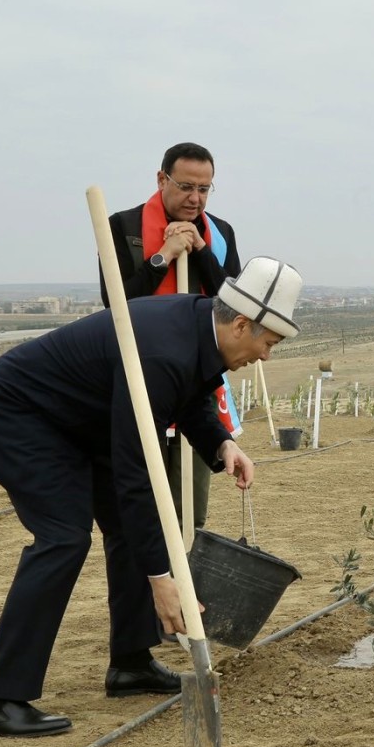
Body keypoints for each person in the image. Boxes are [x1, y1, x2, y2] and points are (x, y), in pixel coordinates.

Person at [0, 257, 301, 738]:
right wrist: (161, 579)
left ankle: (131, 663)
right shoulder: (163, 351)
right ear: (241, 323)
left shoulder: (198, 326)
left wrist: (223, 443)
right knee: (62, 537)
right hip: (18, 414)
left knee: (129, 527)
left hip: (80, 421)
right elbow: (135, 473)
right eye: (268, 342)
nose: (267, 355)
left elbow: (193, 393)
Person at [103, 142, 242, 530]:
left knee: (190, 509)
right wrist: (163, 255)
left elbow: (233, 305)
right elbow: (114, 302)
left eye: (204, 189)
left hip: (198, 382)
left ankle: (185, 580)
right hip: (138, 376)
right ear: (161, 179)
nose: (195, 198)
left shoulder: (221, 234)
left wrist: (199, 251)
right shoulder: (122, 227)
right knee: (140, 501)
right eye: (185, 186)